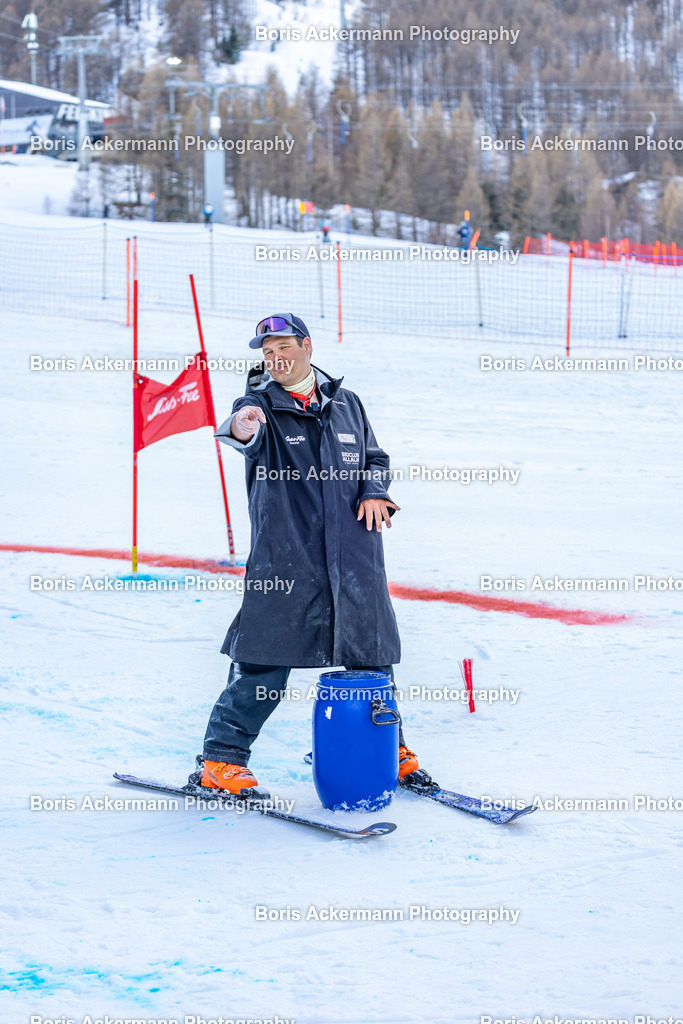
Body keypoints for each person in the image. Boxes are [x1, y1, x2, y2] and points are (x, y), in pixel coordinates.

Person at [196, 313, 425, 796]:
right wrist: (240, 425)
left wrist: (373, 490)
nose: (275, 358)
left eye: (283, 348)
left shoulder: (347, 403)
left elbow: (374, 458)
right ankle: (221, 761)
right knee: (263, 664)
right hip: (287, 561)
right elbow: (241, 433)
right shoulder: (259, 405)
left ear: (306, 346)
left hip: (355, 558)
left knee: (371, 657)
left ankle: (389, 746)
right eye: (266, 352)